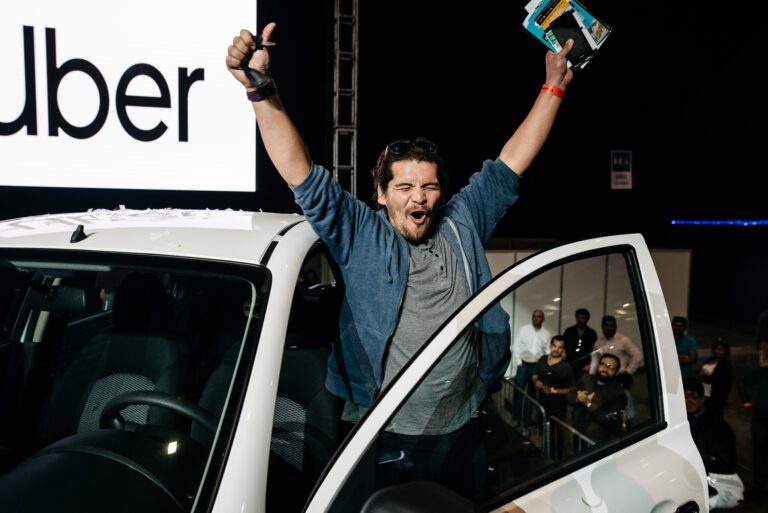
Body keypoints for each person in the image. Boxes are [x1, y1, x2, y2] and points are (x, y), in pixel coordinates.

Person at [226, 23, 575, 490]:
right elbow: (301, 174)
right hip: (381, 433)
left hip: (463, 424)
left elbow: (513, 159)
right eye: (405, 187)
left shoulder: (462, 220)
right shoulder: (359, 232)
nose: (420, 198)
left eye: (430, 186)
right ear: (381, 192)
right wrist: (261, 90)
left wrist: (553, 85)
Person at [684, 376, 742, 509]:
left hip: (712, 490)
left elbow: (724, 464)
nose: (688, 401)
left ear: (703, 398)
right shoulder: (681, 424)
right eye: (684, 398)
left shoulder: (717, 426)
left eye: (692, 396)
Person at [569, 353, 627, 442]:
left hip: (598, 439)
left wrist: (588, 404)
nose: (605, 369)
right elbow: (569, 395)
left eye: (610, 367)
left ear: (616, 372)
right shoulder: (586, 379)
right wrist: (577, 398)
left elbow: (609, 420)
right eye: (602, 364)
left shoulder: (619, 393)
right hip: (577, 431)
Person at [739, 337, 768, 500]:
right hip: (761, 419)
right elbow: (741, 383)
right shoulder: (760, 371)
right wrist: (747, 404)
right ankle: (759, 487)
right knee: (759, 454)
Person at [531, 335, 575, 422]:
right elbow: (534, 375)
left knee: (554, 432)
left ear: (563, 350)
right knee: (540, 425)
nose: (556, 349)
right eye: (554, 346)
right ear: (550, 345)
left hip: (557, 406)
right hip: (541, 403)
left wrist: (552, 390)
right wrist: (536, 381)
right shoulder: (543, 359)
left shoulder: (566, 367)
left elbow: (571, 389)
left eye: (560, 347)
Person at [510, 309, 551, 390]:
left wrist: (544, 365)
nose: (536, 318)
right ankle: (517, 403)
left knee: (532, 391)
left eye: (539, 316)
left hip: (536, 366)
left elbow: (548, 351)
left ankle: (529, 403)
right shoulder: (523, 330)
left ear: (543, 319)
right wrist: (519, 362)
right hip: (523, 364)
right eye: (534, 316)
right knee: (519, 389)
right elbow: (516, 346)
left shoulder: (546, 334)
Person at [698, 337, 733, 418]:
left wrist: (703, 376)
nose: (718, 351)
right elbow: (698, 370)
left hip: (715, 398)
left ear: (725, 351)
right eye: (716, 349)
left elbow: (716, 379)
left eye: (721, 349)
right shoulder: (710, 359)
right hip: (705, 395)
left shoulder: (726, 365)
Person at [563, 308, 598, 376]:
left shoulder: (592, 333)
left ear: (587, 319)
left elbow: (594, 351)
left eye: (582, 318)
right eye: (578, 318)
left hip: (585, 366)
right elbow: (563, 347)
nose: (580, 320)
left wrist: (590, 365)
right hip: (569, 364)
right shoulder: (569, 331)